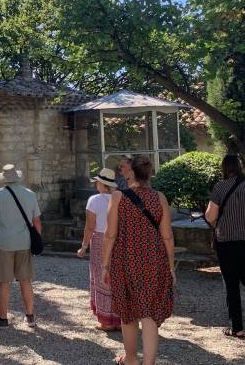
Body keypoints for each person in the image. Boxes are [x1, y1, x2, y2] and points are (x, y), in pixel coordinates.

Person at [101, 155, 175, 365]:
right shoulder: (159, 197)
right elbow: (167, 236)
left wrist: (105, 265)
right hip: (154, 260)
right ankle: (148, 363)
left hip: (126, 261)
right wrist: (170, 267)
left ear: (132, 172)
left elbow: (110, 235)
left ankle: (131, 358)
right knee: (149, 313)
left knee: (128, 311)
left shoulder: (118, 197)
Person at [204, 154, 245, 338]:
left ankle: (237, 328)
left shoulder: (219, 187)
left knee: (231, 284)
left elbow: (210, 216)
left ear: (224, 168)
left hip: (225, 241)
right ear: (240, 167)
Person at [0, 164, 42, 328]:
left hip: (2, 243)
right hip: (24, 242)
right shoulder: (29, 194)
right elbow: (36, 221)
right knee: (25, 280)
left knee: (4, 282)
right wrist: (36, 240)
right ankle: (30, 316)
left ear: (4, 178)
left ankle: (3, 318)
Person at [77, 168, 121, 332]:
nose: (95, 184)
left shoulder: (94, 200)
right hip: (118, 240)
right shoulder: (121, 198)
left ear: (102, 184)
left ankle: (107, 320)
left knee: (101, 277)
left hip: (100, 240)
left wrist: (83, 247)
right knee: (117, 277)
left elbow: (90, 226)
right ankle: (120, 318)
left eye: (97, 181)